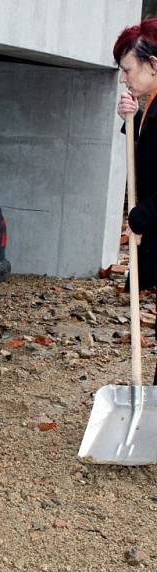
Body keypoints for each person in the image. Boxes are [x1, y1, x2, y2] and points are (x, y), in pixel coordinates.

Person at [114, 18, 157, 383]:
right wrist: (133, 117)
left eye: (128, 70)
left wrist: (139, 218)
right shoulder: (154, 103)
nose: (125, 79)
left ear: (153, 63)